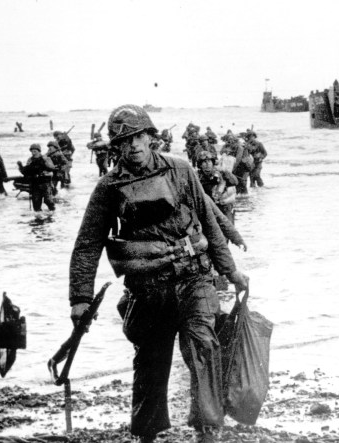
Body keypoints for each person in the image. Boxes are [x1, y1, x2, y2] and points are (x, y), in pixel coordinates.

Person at [68, 105, 249, 443]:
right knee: (151, 360)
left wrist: (230, 270)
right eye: (125, 140)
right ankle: (148, 433)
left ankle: (208, 428)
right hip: (147, 289)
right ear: (115, 147)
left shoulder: (180, 170)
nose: (134, 145)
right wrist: (79, 299)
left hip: (193, 279)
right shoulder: (108, 188)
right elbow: (87, 245)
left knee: (203, 347)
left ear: (151, 137)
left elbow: (210, 223)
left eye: (139, 136)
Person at [196, 150, 237, 226]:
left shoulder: (221, 173)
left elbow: (235, 182)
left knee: (228, 227)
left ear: (213, 162)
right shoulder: (197, 176)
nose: (207, 164)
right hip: (208, 206)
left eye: (209, 161)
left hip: (223, 205)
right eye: (204, 162)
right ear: (200, 165)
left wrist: (226, 173)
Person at [17, 144, 56, 212]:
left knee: (48, 200)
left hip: (45, 182)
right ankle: (39, 218)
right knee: (36, 202)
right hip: (35, 183)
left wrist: (45, 163)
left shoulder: (46, 158)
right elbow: (26, 171)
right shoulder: (30, 160)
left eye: (35, 151)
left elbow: (52, 168)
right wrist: (20, 167)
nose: (33, 153)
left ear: (39, 151)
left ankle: (52, 212)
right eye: (32, 151)